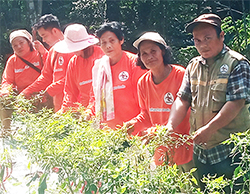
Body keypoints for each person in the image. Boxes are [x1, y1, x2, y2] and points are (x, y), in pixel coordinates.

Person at [166, 13, 250, 191]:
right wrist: (170, 125)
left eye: (207, 38)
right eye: (197, 40)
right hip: (202, 152)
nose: (202, 45)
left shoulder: (237, 63)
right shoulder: (193, 65)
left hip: (231, 151)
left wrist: (209, 129)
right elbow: (182, 99)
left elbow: (236, 103)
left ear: (221, 35)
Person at [124, 32, 193, 171]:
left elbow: (189, 110)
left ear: (163, 51)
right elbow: (146, 116)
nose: (149, 56)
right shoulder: (142, 82)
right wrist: (132, 125)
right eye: (144, 53)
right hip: (161, 152)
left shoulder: (180, 75)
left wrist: (158, 131)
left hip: (185, 150)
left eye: (153, 51)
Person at [87, 21, 146, 129]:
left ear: (121, 40)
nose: (108, 46)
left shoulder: (135, 63)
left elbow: (144, 99)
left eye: (112, 41)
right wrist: (89, 112)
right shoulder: (99, 67)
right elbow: (94, 96)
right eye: (103, 42)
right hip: (107, 133)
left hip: (132, 130)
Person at [20, 14, 74, 112]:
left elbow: (75, 78)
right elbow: (45, 77)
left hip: (76, 107)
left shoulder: (74, 48)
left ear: (54, 31)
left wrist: (50, 90)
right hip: (58, 107)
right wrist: (27, 92)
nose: (44, 40)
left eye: (44, 36)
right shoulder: (52, 51)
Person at [0, 29, 45, 132]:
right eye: (15, 45)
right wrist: (6, 92)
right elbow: (7, 81)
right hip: (20, 95)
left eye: (21, 43)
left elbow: (48, 74)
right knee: (3, 99)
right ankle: (6, 130)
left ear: (29, 42)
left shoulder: (39, 54)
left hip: (40, 92)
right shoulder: (12, 60)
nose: (19, 47)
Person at [53, 24, 104, 112]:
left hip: (105, 108)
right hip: (85, 113)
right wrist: (63, 112)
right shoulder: (73, 62)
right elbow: (70, 92)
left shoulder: (103, 56)